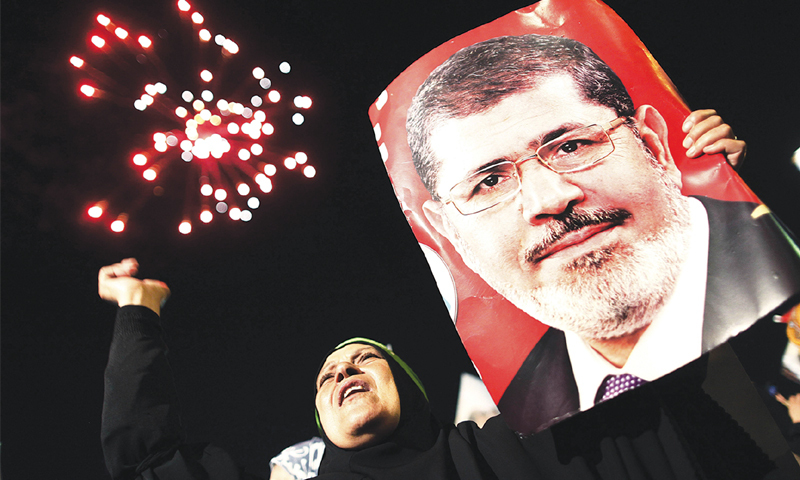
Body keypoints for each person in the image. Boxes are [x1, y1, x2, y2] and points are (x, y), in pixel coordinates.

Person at [405, 34, 800, 433]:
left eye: (572, 146)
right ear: (449, 232)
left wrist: (746, 182)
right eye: (489, 182)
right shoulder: (528, 423)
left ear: (653, 145)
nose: (551, 200)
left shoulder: (779, 268)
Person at [102, 259, 783, 479]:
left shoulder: (495, 457)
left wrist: (707, 200)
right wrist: (139, 308)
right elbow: (142, 461)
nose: (339, 372)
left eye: (363, 358)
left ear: (412, 388)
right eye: (325, 377)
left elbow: (666, 402)